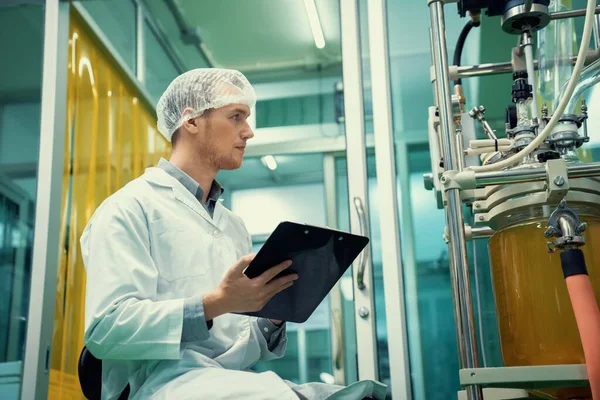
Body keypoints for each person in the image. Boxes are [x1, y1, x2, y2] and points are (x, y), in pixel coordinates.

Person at [81, 68, 387, 400]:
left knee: (368, 396)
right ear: (192, 121)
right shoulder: (129, 208)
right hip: (159, 387)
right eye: (236, 116)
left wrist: (271, 312)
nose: (249, 131)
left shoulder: (232, 226)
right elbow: (106, 330)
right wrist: (217, 303)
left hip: (229, 383)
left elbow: (237, 348)